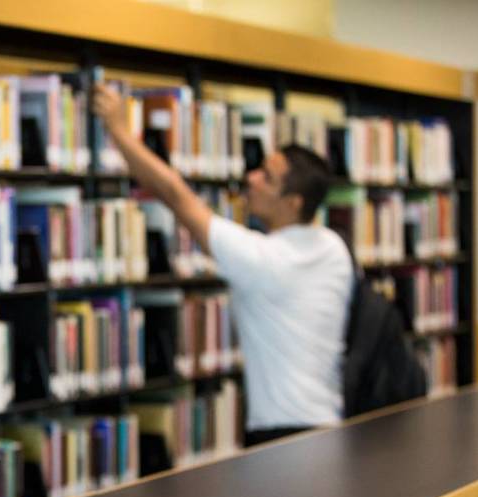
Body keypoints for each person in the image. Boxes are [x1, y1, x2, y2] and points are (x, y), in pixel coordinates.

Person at [93, 84, 353, 447]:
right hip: (328, 425)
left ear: (294, 202)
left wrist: (118, 128)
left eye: (267, 177)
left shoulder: (263, 261)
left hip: (283, 435)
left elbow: (174, 195)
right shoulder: (333, 249)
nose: (252, 178)